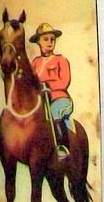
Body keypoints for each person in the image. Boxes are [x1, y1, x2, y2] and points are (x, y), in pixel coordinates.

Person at [29, 23, 74, 155]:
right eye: (45, 39)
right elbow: (30, 81)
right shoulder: (35, 62)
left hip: (59, 99)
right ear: (38, 42)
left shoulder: (61, 60)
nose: (50, 42)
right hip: (40, 102)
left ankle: (62, 146)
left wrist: (46, 86)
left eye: (52, 39)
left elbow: (64, 81)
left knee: (55, 113)